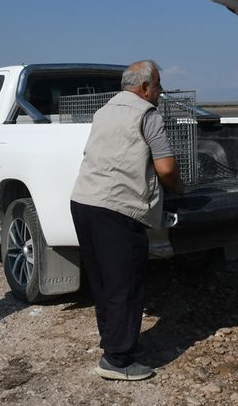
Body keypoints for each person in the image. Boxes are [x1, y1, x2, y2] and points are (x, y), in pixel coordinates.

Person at [70, 59, 185, 381]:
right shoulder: (147, 114)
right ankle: (117, 361)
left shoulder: (104, 110)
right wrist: (180, 187)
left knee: (103, 280)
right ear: (145, 87)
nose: (161, 92)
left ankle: (116, 343)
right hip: (118, 207)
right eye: (159, 85)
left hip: (83, 201)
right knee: (126, 283)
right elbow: (165, 168)